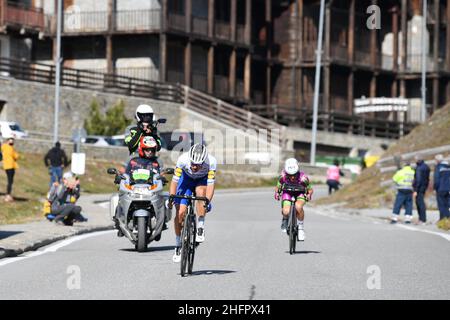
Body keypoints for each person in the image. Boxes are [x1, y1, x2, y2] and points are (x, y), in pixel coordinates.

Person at [168, 144, 216, 263]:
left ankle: (200, 226)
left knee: (201, 193)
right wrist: (171, 197)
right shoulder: (182, 160)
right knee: (180, 213)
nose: (194, 167)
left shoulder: (211, 162)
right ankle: (178, 245)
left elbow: (210, 186)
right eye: (193, 163)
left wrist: (207, 201)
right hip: (186, 181)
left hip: (202, 181)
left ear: (203, 161)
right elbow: (174, 182)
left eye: (198, 165)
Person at [274, 158, 313, 241]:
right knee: (286, 211)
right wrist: (277, 193)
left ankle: (301, 228)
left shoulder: (303, 178)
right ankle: (285, 219)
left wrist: (309, 194)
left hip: (300, 193)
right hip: (287, 193)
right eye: (289, 175)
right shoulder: (282, 177)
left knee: (298, 207)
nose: (292, 177)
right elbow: (278, 187)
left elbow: (310, 189)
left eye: (294, 175)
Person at [412, 154, 430, 224]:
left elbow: (418, 180)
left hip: (419, 188)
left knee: (419, 203)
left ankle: (422, 219)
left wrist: (415, 190)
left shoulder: (419, 168)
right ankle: (422, 219)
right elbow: (427, 179)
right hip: (424, 187)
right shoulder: (426, 166)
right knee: (421, 202)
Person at [1, 136, 19, 202]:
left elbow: (16, 156)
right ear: (7, 141)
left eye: (13, 140)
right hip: (8, 166)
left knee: (11, 181)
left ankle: (8, 194)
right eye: (10, 140)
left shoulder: (12, 148)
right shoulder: (5, 146)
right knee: (10, 180)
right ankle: (8, 195)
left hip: (12, 166)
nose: (12, 141)